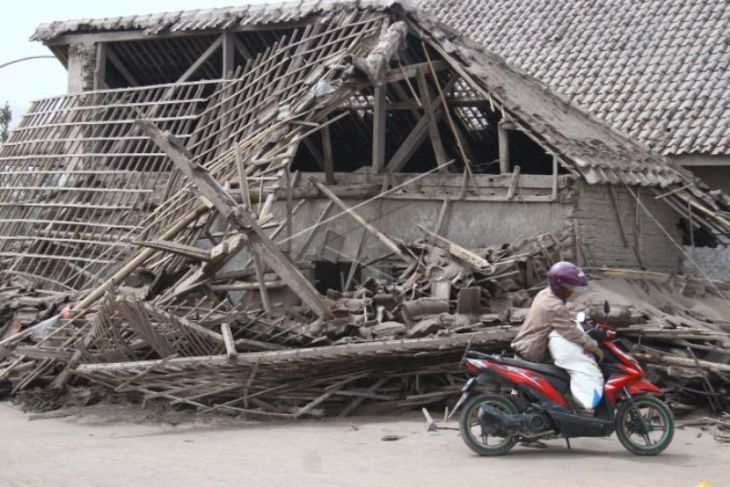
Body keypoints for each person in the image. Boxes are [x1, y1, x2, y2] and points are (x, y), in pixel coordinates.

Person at [511, 261, 605, 412]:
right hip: (532, 352)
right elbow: (570, 332)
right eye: (570, 287)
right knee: (568, 369)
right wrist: (593, 347)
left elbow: (563, 314)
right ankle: (563, 412)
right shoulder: (553, 306)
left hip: (524, 345)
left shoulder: (545, 293)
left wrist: (581, 315)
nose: (572, 291)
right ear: (559, 285)